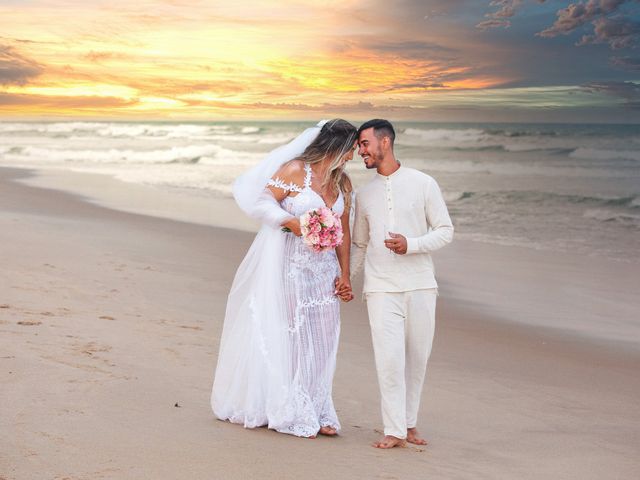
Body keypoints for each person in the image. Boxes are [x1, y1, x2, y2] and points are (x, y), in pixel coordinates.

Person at [211, 119, 357, 438]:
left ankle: (319, 407)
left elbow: (344, 233)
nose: (352, 157)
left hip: (324, 272)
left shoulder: (343, 184)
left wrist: (345, 274)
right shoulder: (295, 171)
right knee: (292, 335)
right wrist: (290, 222)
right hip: (290, 268)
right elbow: (262, 201)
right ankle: (291, 406)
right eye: (349, 150)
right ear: (335, 146)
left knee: (323, 339)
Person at [349, 119, 454, 448]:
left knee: (417, 359)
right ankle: (394, 429)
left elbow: (445, 230)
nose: (360, 151)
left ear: (385, 142)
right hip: (380, 288)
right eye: (358, 146)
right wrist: (344, 278)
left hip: (421, 285)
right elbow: (360, 244)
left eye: (364, 144)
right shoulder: (363, 195)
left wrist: (412, 244)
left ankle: (409, 424)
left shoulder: (423, 183)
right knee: (389, 360)